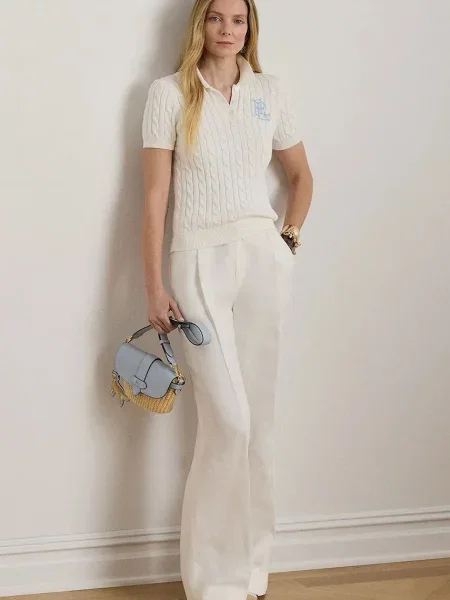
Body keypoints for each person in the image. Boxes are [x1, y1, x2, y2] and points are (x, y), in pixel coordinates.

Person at [141, 0, 313, 598]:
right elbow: (155, 198)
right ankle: (214, 581)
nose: (227, 30)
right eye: (216, 18)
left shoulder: (269, 91)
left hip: (263, 257)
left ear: (249, 29)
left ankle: (254, 568)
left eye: (238, 20)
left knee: (259, 422)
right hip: (197, 260)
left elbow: (301, 176)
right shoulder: (168, 94)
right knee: (228, 421)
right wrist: (155, 285)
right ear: (200, 24)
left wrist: (287, 241)